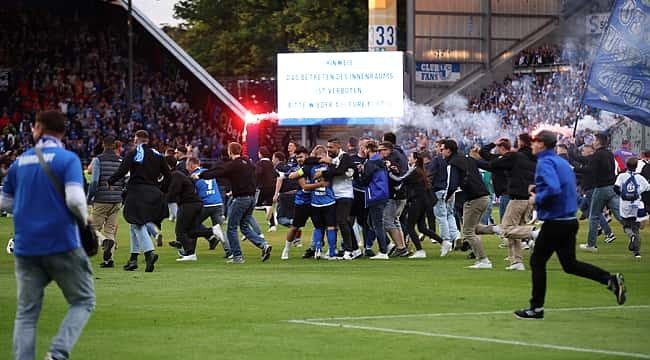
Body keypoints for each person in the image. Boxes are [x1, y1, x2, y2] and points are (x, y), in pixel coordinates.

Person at [0, 110, 95, 359]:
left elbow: (4, 202)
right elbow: (75, 199)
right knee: (83, 300)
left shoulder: (20, 161)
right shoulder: (68, 159)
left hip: (26, 245)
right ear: (62, 132)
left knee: (26, 313)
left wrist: (31, 204)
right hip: (61, 241)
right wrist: (84, 219)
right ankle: (57, 353)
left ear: (39, 128)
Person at [514, 130, 626, 320]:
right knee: (570, 265)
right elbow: (565, 186)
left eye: (534, 142)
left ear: (542, 144)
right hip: (568, 220)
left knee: (537, 261)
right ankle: (609, 279)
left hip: (555, 221)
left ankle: (536, 308)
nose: (531, 145)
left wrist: (536, 199)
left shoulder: (545, 162)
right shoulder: (561, 162)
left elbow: (553, 188)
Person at [196, 142, 272, 263]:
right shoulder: (249, 163)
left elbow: (218, 171)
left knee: (231, 228)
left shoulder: (233, 165)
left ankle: (237, 256)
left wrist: (201, 175)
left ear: (230, 152)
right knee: (245, 226)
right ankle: (263, 245)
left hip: (241, 199)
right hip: (252, 198)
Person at [108, 129, 169, 272]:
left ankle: (149, 253)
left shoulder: (134, 153)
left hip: (137, 192)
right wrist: (161, 190)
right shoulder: (158, 155)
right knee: (133, 224)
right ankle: (133, 259)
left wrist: (110, 181)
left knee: (137, 223)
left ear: (136, 139)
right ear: (148, 140)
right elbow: (168, 175)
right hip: (154, 193)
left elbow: (122, 170)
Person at [441, 139, 492, 269]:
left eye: (442, 149)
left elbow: (452, 184)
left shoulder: (453, 163)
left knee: (468, 231)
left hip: (474, 198)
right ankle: (498, 229)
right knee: (474, 228)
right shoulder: (468, 159)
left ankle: (483, 260)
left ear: (448, 150)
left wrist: (446, 198)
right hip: (485, 196)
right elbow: (487, 166)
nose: (440, 151)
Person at [390, 151, 442, 258]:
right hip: (422, 201)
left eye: (410, 157)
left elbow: (400, 180)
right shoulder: (418, 170)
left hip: (416, 201)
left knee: (410, 227)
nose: (409, 158)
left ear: (415, 159)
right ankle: (444, 242)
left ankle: (420, 251)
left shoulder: (414, 170)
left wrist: (389, 172)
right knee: (422, 227)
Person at [319, 138, 361, 260]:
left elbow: (340, 171)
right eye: (328, 147)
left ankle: (348, 251)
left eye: (331, 147)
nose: (329, 150)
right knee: (344, 222)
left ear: (338, 147)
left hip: (345, 195)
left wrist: (326, 170)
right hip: (334, 195)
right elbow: (337, 171)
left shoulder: (345, 157)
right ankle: (355, 249)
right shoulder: (333, 158)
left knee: (342, 220)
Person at [581, 133, 623, 251]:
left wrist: (575, 169)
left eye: (594, 140)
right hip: (611, 187)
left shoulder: (597, 155)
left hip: (601, 188)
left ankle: (591, 244)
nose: (593, 142)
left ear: (598, 142)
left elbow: (590, 170)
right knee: (618, 214)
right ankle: (632, 228)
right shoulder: (609, 154)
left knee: (594, 216)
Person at [87, 135, 124, 268]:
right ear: (114, 145)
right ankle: (109, 260)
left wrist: (89, 197)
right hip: (117, 199)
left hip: (102, 198)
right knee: (110, 229)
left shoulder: (98, 160)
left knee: (92, 229)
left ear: (103, 144)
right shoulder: (121, 160)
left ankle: (103, 242)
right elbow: (125, 180)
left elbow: (95, 180)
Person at [167, 160, 215, 261]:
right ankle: (192, 251)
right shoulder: (182, 175)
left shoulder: (175, 175)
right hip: (196, 203)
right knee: (191, 230)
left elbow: (174, 192)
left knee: (180, 231)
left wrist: (165, 199)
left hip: (188, 204)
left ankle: (211, 233)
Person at [187, 157, 228, 256]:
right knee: (219, 229)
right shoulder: (207, 172)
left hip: (206, 204)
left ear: (192, 165)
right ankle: (229, 251)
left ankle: (190, 252)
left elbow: (193, 193)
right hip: (218, 203)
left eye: (187, 166)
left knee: (193, 225)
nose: (187, 168)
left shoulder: (193, 176)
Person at [360, 140, 391, 259]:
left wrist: (360, 173)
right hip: (383, 194)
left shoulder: (370, 163)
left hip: (374, 195)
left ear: (368, 149)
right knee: (371, 222)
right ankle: (387, 243)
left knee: (377, 224)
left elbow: (365, 181)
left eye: (364, 148)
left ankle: (383, 251)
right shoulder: (381, 161)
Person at [614, 157, 650, 259]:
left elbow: (615, 188)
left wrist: (622, 195)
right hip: (636, 205)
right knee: (636, 228)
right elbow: (647, 188)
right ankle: (637, 253)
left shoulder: (622, 176)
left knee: (626, 226)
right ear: (636, 166)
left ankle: (631, 236)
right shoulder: (640, 178)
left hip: (625, 205)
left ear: (626, 165)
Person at [431, 139, 460, 256]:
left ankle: (446, 240)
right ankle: (456, 236)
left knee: (441, 217)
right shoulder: (451, 160)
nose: (438, 150)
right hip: (450, 190)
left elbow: (431, 175)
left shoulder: (437, 160)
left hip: (439, 190)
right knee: (450, 214)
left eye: (439, 148)